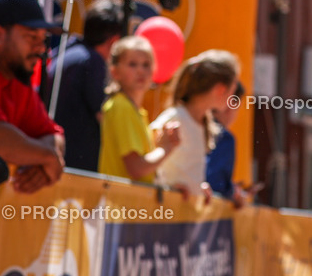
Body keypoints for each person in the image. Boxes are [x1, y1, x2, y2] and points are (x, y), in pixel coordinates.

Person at [0, 0, 65, 193]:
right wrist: (48, 157)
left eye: (43, 40)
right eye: (31, 37)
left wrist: (42, 161)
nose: (41, 49)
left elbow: (53, 134)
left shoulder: (13, 75)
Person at [43, 0, 122, 172]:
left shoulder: (68, 51)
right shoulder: (93, 61)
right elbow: (104, 116)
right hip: (73, 167)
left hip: (55, 158)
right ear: (114, 41)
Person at [150, 49, 238, 199]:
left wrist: (198, 186)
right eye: (232, 91)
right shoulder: (175, 118)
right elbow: (149, 157)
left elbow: (188, 167)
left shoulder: (204, 124)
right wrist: (167, 186)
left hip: (185, 216)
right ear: (220, 89)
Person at [98, 36, 180, 182]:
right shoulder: (121, 106)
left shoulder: (137, 111)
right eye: (132, 64)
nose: (140, 71)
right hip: (121, 202)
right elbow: (136, 168)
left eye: (146, 64)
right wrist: (166, 148)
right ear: (115, 72)